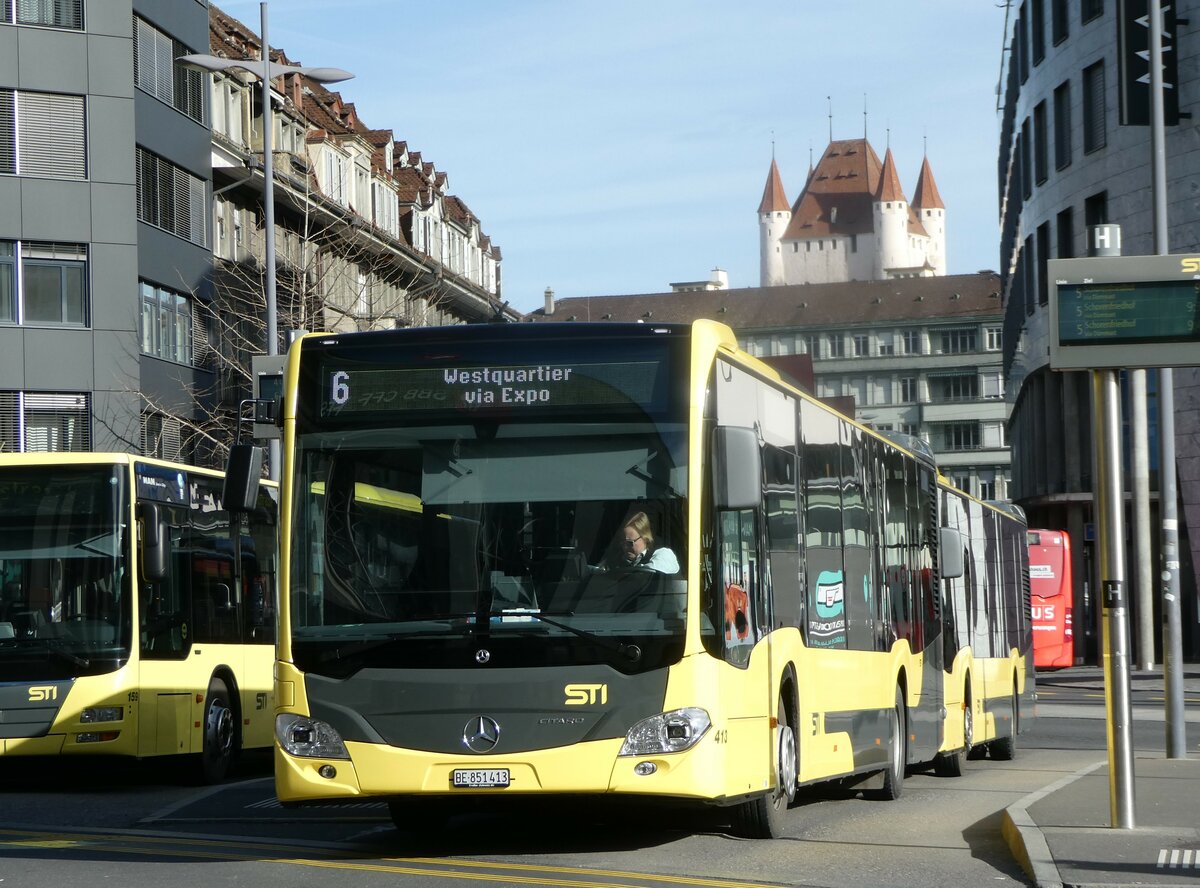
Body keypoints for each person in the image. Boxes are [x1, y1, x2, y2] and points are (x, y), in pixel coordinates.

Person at [612, 511, 679, 575]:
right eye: (622, 543)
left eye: (629, 543)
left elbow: (647, 576)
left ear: (645, 539)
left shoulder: (663, 555)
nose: (625, 547)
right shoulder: (616, 561)